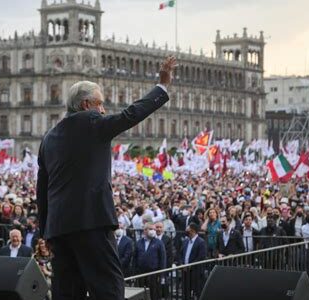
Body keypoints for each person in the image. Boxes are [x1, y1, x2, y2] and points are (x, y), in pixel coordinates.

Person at [37, 56, 176, 300]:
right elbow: (129, 115)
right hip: (91, 222)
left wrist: (46, 231)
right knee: (108, 288)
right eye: (100, 104)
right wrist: (161, 87)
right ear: (86, 104)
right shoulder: (91, 121)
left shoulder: (49, 137)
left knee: (67, 292)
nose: (103, 110)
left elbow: (43, 189)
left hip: (59, 229)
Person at [134, 223, 166, 300]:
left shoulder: (159, 243)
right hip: (141, 273)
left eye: (154, 229)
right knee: (141, 293)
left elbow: (162, 259)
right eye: (151, 229)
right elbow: (135, 258)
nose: (153, 231)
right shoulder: (139, 242)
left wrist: (161, 275)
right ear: (145, 230)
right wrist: (134, 273)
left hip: (153, 273)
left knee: (153, 294)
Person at [180, 223, 207, 300]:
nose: (186, 231)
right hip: (185, 271)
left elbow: (201, 257)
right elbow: (181, 253)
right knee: (185, 292)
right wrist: (182, 264)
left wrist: (190, 265)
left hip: (196, 272)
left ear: (193, 231)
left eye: (187, 229)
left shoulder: (201, 242)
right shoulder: (185, 241)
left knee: (197, 292)